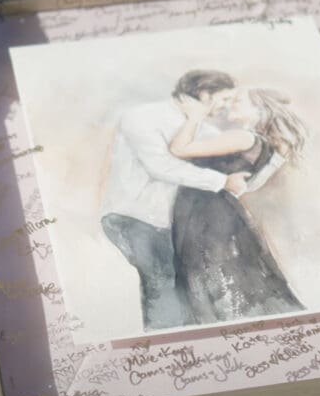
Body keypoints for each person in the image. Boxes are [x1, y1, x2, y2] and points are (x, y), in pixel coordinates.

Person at [100, 70, 250, 331]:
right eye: (224, 100)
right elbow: (161, 166)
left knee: (186, 290)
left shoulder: (205, 129)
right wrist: (222, 182)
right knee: (162, 284)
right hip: (135, 216)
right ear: (205, 94)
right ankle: (164, 349)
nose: (226, 108)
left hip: (173, 223)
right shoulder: (142, 117)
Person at [168, 87, 307, 324]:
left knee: (208, 276)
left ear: (259, 110)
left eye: (238, 101)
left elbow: (178, 149)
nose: (231, 104)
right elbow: (248, 186)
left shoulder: (244, 137)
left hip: (205, 216)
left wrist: (194, 117)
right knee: (234, 278)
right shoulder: (268, 145)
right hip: (220, 213)